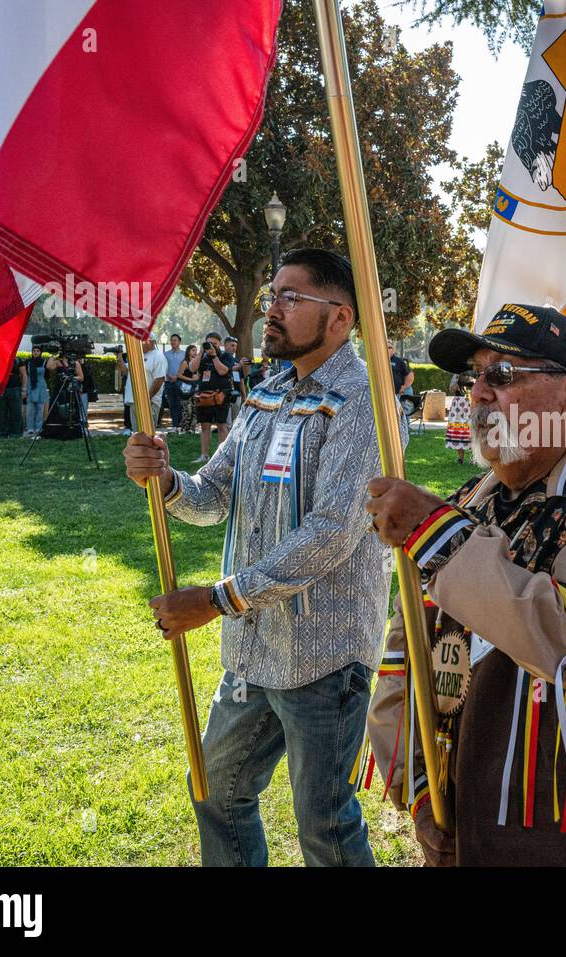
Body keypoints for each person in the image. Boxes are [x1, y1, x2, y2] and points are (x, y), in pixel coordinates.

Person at [364, 304, 566, 866]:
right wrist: (417, 789)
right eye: (473, 377)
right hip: (460, 815)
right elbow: (404, 655)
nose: (479, 393)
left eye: (503, 375)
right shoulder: (467, 503)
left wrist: (438, 537)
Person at [123, 248, 389, 867]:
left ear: (341, 319)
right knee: (216, 791)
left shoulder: (360, 405)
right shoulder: (267, 395)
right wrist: (163, 481)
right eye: (273, 294)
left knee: (325, 828)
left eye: (292, 298)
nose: (273, 309)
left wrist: (218, 600)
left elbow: (331, 533)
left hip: (324, 658)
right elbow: (214, 494)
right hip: (253, 651)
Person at [190, 332, 233, 463]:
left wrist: (214, 356)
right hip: (204, 395)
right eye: (209, 343)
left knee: (221, 425)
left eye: (214, 343)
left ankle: (221, 457)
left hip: (221, 394)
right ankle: (204, 455)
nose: (212, 346)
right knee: (204, 426)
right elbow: (192, 368)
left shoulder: (226, 355)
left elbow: (223, 371)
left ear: (219, 344)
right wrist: (200, 352)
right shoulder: (203, 357)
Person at [117, 337, 166, 435]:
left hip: (149, 403)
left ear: (151, 342)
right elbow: (126, 371)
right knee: (137, 435)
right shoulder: (137, 355)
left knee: (148, 435)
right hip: (133, 401)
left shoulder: (159, 356)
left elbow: (160, 379)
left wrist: (146, 399)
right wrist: (119, 357)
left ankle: (149, 450)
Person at [0, 356, 25, 439]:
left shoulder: (18, 359)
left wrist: (24, 389)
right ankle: (1, 434)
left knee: (16, 412)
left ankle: (16, 434)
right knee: (0, 413)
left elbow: (24, 375)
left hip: (15, 389)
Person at [444, 371, 472, 465]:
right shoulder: (456, 374)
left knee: (472, 430)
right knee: (459, 430)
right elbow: (451, 389)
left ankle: (474, 458)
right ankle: (460, 458)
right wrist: (458, 380)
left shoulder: (474, 372)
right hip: (458, 405)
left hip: (471, 402)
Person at [22, 344, 50, 437]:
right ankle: (30, 428)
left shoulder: (44, 362)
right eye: (34, 351)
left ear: (40, 352)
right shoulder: (28, 362)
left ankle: (39, 427)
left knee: (40, 409)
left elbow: (48, 375)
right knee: (30, 409)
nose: (36, 352)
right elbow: (25, 375)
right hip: (31, 386)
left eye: (38, 351)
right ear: (32, 352)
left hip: (41, 386)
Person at [161, 333, 186, 430]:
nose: (173, 342)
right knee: (172, 403)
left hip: (181, 382)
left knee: (180, 403)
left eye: (175, 340)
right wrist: (169, 376)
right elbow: (163, 368)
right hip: (169, 382)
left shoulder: (184, 354)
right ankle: (175, 424)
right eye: (171, 340)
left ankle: (181, 424)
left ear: (179, 342)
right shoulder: (165, 354)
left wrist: (177, 376)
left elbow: (187, 367)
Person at [177, 345, 199, 433]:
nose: (195, 352)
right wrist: (191, 379)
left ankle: (192, 429)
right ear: (188, 351)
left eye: (196, 350)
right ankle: (184, 429)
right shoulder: (185, 362)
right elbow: (179, 375)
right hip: (185, 388)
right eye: (193, 350)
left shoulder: (197, 362)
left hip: (195, 388)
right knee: (187, 409)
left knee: (195, 409)